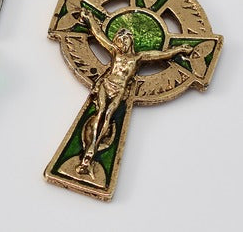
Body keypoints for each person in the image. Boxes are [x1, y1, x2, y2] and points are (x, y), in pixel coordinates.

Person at [78, 9, 193, 175]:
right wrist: (89, 19)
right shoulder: (115, 52)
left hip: (119, 90)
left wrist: (180, 49)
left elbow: (161, 54)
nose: (120, 43)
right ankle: (89, 151)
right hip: (106, 84)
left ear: (129, 40)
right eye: (118, 40)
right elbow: (99, 35)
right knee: (101, 111)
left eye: (123, 40)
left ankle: (92, 149)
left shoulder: (138, 58)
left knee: (108, 115)